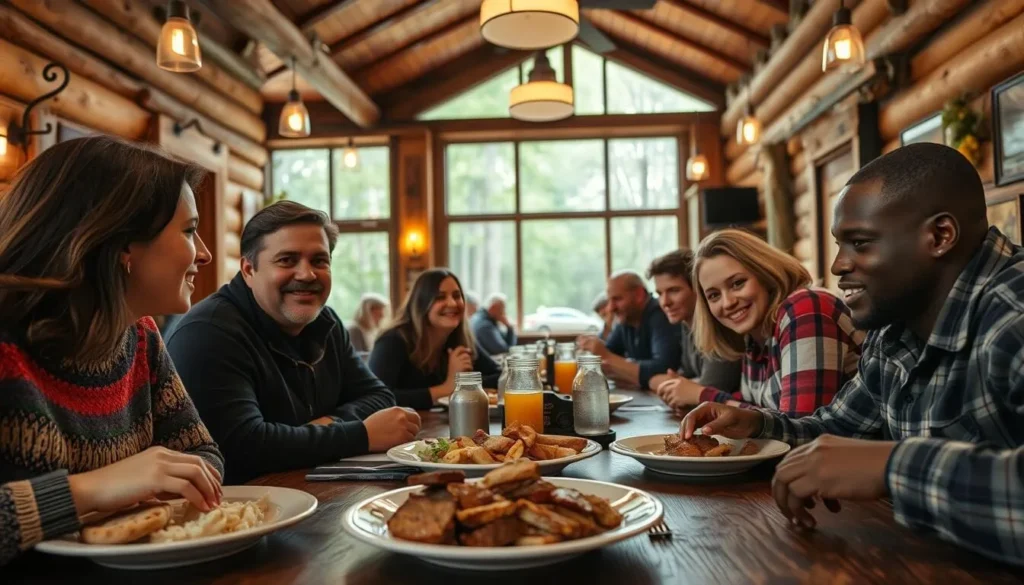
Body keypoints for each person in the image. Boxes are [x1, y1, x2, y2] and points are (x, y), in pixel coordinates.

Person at [681, 143, 1024, 566]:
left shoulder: (1014, 314)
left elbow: (873, 461)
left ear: (939, 236)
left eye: (860, 243)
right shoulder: (894, 323)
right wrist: (757, 423)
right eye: (840, 245)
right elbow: (840, 427)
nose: (839, 265)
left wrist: (892, 467)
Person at [0, 136, 224, 565]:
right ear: (123, 244)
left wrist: (146, 482)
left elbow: (202, 456)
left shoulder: (139, 337)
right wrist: (92, 489)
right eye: (190, 231)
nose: (206, 254)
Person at [166, 201, 419, 484]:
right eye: (287, 260)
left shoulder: (327, 322)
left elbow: (380, 397)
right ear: (249, 270)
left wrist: (326, 425)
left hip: (314, 496)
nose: (307, 274)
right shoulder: (209, 331)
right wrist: (361, 434)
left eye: (319, 261)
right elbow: (242, 446)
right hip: (238, 514)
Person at [675, 229, 862, 416]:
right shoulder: (755, 336)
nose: (728, 302)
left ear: (765, 273)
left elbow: (799, 425)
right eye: (714, 295)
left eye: (738, 283)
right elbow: (759, 408)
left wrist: (704, 396)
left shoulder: (805, 308)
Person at [370, 269, 501, 409]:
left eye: (457, 296)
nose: (452, 303)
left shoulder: (459, 340)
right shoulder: (392, 341)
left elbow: (499, 377)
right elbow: (377, 399)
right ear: (421, 304)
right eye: (440, 297)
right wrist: (447, 388)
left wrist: (466, 383)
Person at [645, 249, 742, 398]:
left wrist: (684, 386)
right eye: (659, 294)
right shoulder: (687, 324)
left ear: (699, 289)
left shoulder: (720, 326)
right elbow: (683, 380)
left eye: (674, 290)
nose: (665, 302)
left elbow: (706, 392)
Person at [577, 270, 682, 389]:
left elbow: (664, 368)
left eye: (617, 299)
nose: (611, 308)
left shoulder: (660, 314)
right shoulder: (626, 320)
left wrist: (608, 357)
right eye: (609, 300)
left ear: (639, 295)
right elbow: (605, 361)